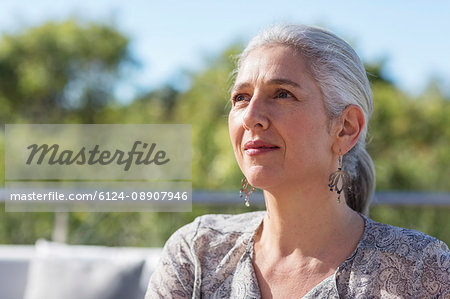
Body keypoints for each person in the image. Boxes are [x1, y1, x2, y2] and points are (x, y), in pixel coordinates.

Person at [146, 24, 450, 298]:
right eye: (241, 97)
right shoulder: (197, 254)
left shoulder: (420, 271)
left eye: (282, 94)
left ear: (345, 128)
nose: (251, 117)